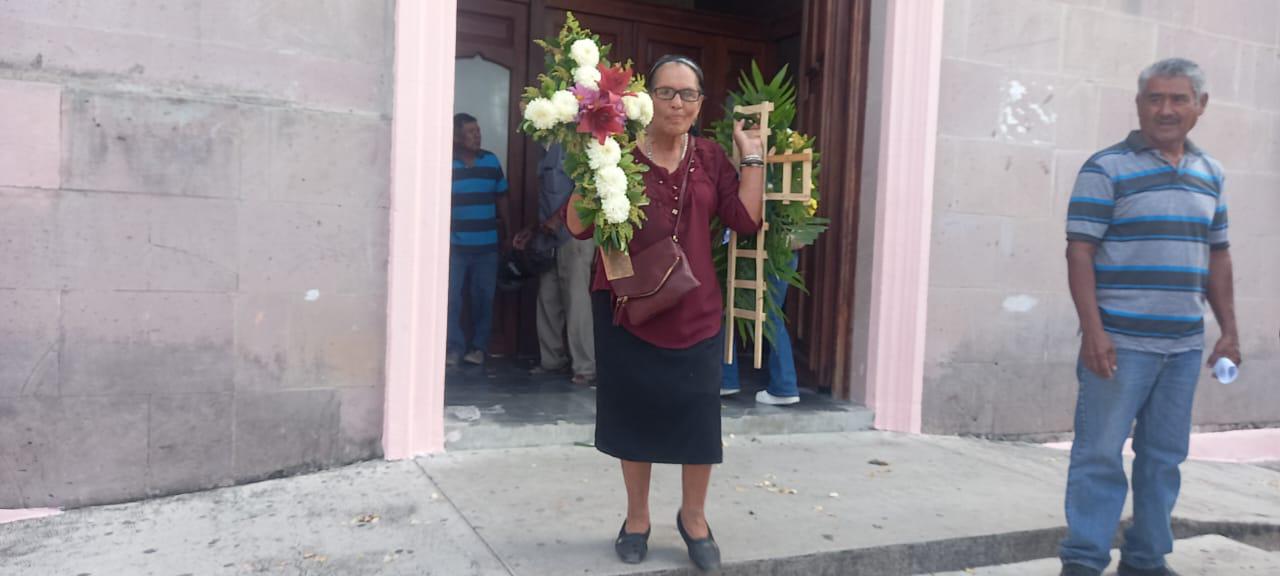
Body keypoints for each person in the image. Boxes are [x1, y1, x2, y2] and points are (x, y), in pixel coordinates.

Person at [565, 55, 764, 572]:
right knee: (634, 416)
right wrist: (594, 163)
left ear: (700, 104)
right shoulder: (618, 153)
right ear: (646, 99)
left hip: (695, 309)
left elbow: (744, 219)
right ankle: (636, 519)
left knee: (698, 420)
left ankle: (694, 519)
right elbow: (577, 226)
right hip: (627, 306)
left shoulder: (712, 157)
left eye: (689, 94)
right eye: (668, 92)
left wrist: (753, 158)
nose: (678, 103)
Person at [1059, 58, 1240, 576]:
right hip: (1119, 343)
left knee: (1163, 459)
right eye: (1154, 99)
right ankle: (1083, 562)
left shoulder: (1211, 173)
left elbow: (1219, 255)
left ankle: (1144, 559)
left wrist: (1228, 331)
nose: (1165, 109)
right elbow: (1079, 252)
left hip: (1183, 348)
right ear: (1138, 105)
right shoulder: (1106, 168)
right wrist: (1094, 332)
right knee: (1098, 456)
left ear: (1199, 107)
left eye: (1178, 99)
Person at [515, 144, 596, 384]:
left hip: (574, 234)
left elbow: (586, 190)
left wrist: (557, 220)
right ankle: (551, 361)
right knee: (547, 298)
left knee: (576, 299)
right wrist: (532, 229)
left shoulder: (573, 143)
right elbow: (546, 198)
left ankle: (585, 366)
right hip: (547, 236)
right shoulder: (543, 147)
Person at [448, 113, 511, 367]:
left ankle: (478, 348)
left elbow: (502, 198)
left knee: (483, 297)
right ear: (455, 136)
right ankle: (453, 348)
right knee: (451, 299)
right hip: (454, 247)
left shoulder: (491, 161)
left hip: (487, 246)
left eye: (478, 131)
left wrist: (507, 233)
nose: (477, 136)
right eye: (471, 132)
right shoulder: (446, 163)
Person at [720, 252, 801, 405]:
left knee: (728, 309)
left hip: (763, 253)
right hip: (782, 253)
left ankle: (727, 378)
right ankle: (784, 385)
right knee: (771, 316)